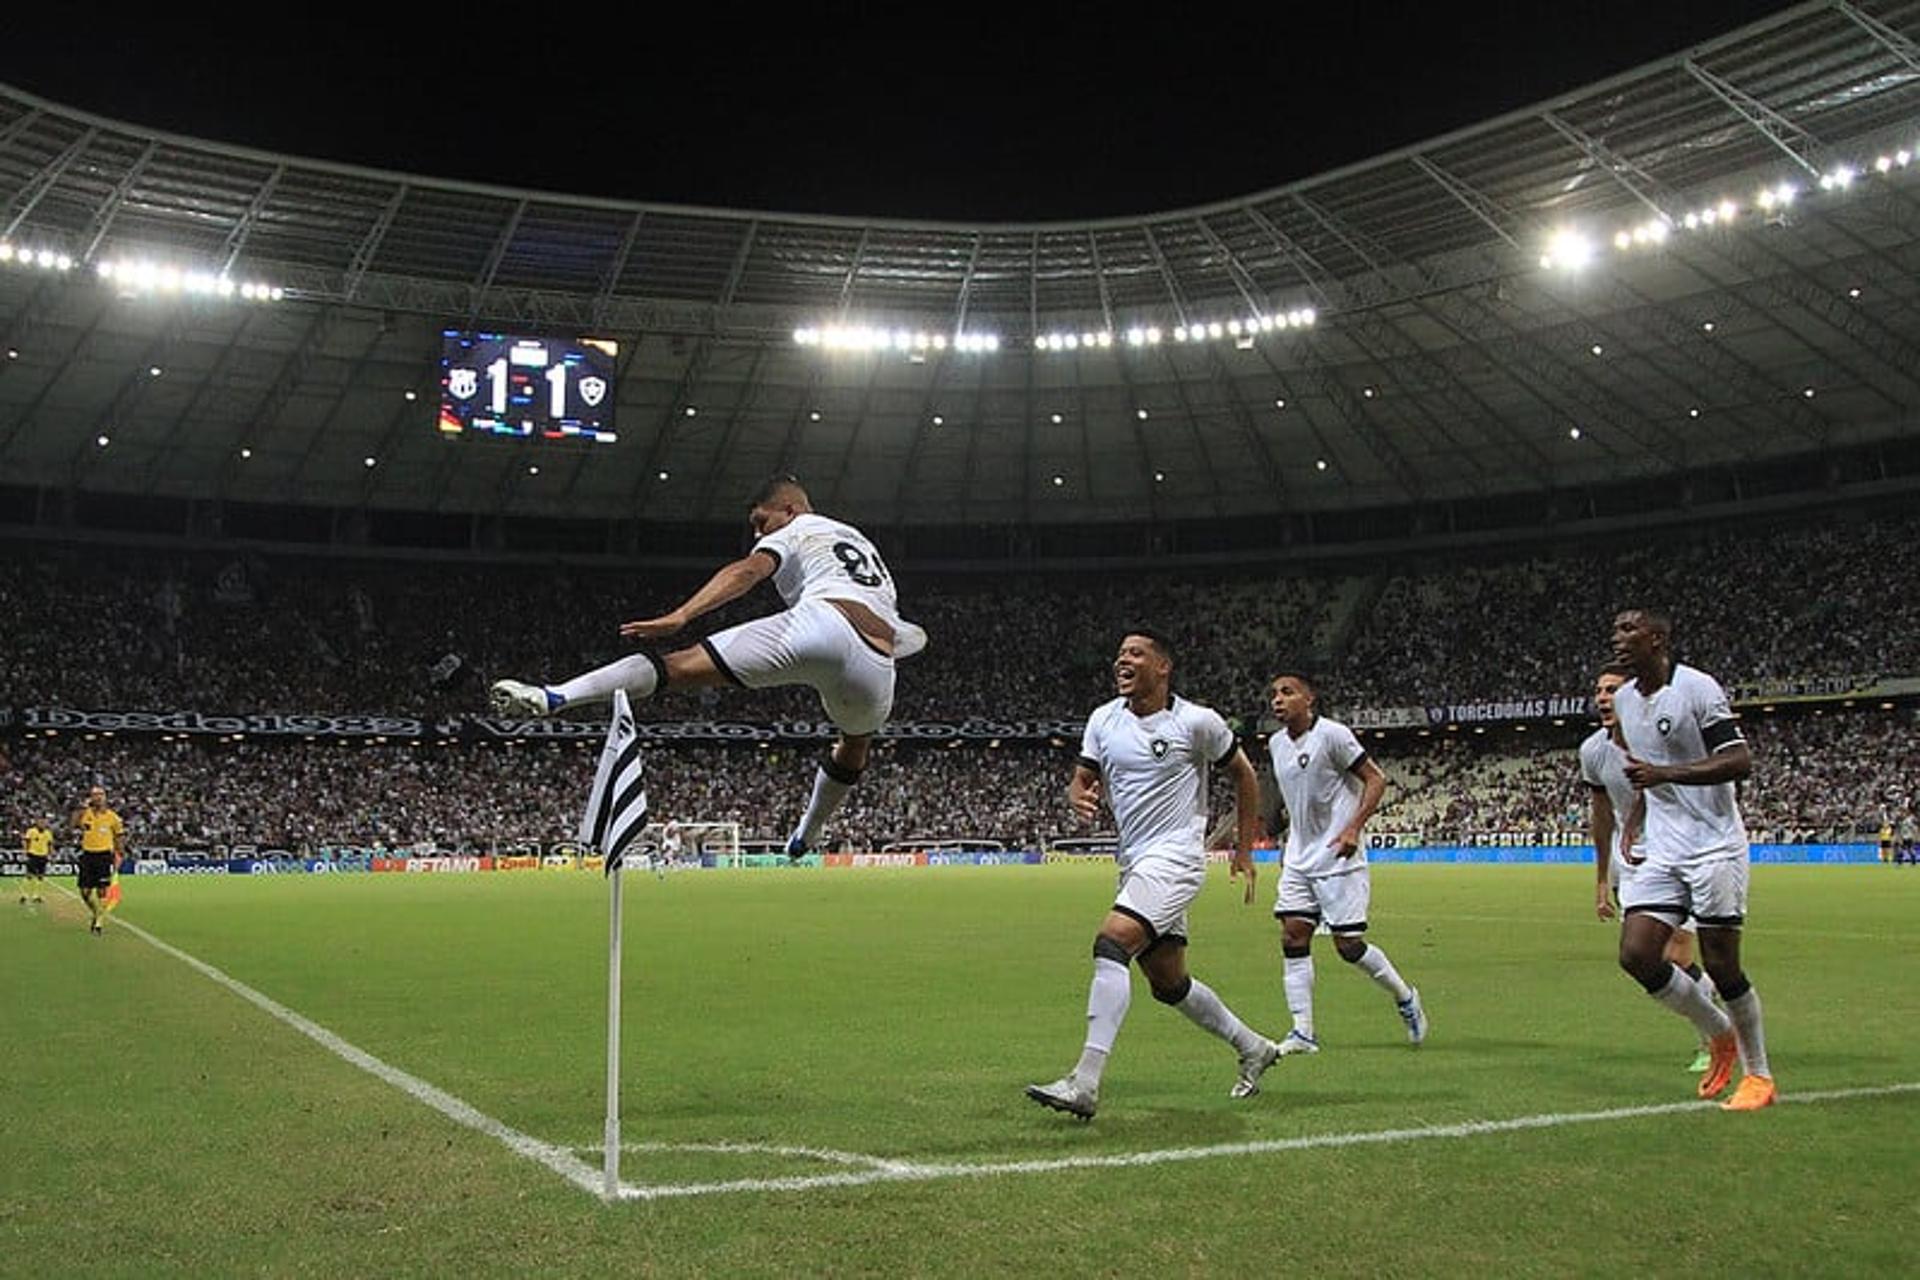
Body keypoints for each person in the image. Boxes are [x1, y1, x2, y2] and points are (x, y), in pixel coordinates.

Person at [491, 476, 925, 857]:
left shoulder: (798, 528)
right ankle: (807, 835)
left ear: (789, 509)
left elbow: (747, 571)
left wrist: (683, 614)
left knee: (675, 667)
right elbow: (896, 621)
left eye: (761, 520)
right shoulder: (859, 542)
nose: (757, 530)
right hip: (877, 660)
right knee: (855, 743)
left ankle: (555, 695)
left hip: (822, 624)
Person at [1026, 630, 1281, 1120]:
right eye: (1120, 653)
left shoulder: (1196, 722)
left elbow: (1245, 775)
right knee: (1168, 982)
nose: (1123, 659)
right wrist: (1075, 793)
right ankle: (1254, 1047)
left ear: (1162, 667)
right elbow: (1082, 776)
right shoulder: (1103, 718)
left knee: (1112, 942)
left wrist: (1243, 849)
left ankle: (1085, 1081)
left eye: (1135, 654)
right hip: (1133, 861)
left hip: (1175, 858)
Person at [1610, 609, 1775, 1111]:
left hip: (1713, 845)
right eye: (1615, 632)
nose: (1617, 640)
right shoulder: (1622, 699)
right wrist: (1637, 814)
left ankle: (1760, 1078)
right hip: (1663, 847)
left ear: (1657, 639)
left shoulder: (1698, 688)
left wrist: (1667, 774)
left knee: (1723, 965)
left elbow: (1739, 760)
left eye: (1628, 631)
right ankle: (1717, 1031)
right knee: (1637, 955)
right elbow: (1641, 772)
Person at [1263, 672, 1427, 1056]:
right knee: (1292, 936)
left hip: (1338, 855)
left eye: (1288, 692)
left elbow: (1376, 779)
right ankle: (1303, 1032)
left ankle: (1405, 998)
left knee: (1348, 946)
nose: (1278, 700)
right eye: (1274, 694)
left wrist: (1353, 828)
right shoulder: (1274, 743)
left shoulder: (1333, 735)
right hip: (1300, 858)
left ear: (1310, 697)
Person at [1582, 664, 1717, 1073]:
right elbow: (1601, 815)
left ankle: (1712, 1040)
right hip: (1634, 864)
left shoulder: (1664, 739)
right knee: (1648, 960)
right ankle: (1716, 997)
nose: (1604, 697)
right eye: (1599, 690)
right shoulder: (1593, 751)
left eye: (1613, 690)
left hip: (1682, 853)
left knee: (1677, 953)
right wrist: (1603, 877)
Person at [72, 786, 124, 935]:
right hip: (88, 855)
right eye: (95, 795)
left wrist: (120, 852)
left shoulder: (112, 817)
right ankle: (96, 913)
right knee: (84, 892)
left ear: (105, 797)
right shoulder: (85, 813)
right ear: (91, 798)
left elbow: (119, 835)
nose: (98, 797)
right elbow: (72, 824)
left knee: (102, 890)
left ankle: (99, 923)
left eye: (101, 794)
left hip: (104, 856)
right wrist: (80, 809)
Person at [20, 817, 54, 903]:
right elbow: (25, 842)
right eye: (41, 822)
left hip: (43, 856)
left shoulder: (48, 833)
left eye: (44, 822)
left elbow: (50, 845)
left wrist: (51, 854)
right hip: (33, 855)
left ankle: (37, 896)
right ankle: (24, 895)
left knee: (41, 876)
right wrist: (25, 852)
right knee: (29, 876)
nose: (42, 824)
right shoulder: (31, 831)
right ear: (37, 823)